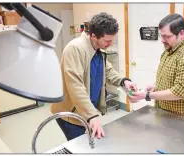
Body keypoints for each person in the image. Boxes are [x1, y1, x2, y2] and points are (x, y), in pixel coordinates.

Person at [50, 12, 137, 141]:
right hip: (72, 115)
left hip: (87, 111)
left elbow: (108, 71)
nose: (110, 44)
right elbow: (76, 86)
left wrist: (124, 81)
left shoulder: (98, 49)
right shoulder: (75, 49)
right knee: (81, 147)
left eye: (112, 40)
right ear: (93, 35)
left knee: (93, 143)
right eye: (107, 41)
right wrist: (92, 116)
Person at [130, 14, 184, 119]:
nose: (162, 40)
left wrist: (147, 95)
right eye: (161, 35)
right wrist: (156, 86)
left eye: (166, 36)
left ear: (181, 33)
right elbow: (170, 74)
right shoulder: (171, 47)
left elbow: (179, 92)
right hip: (164, 113)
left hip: (181, 119)